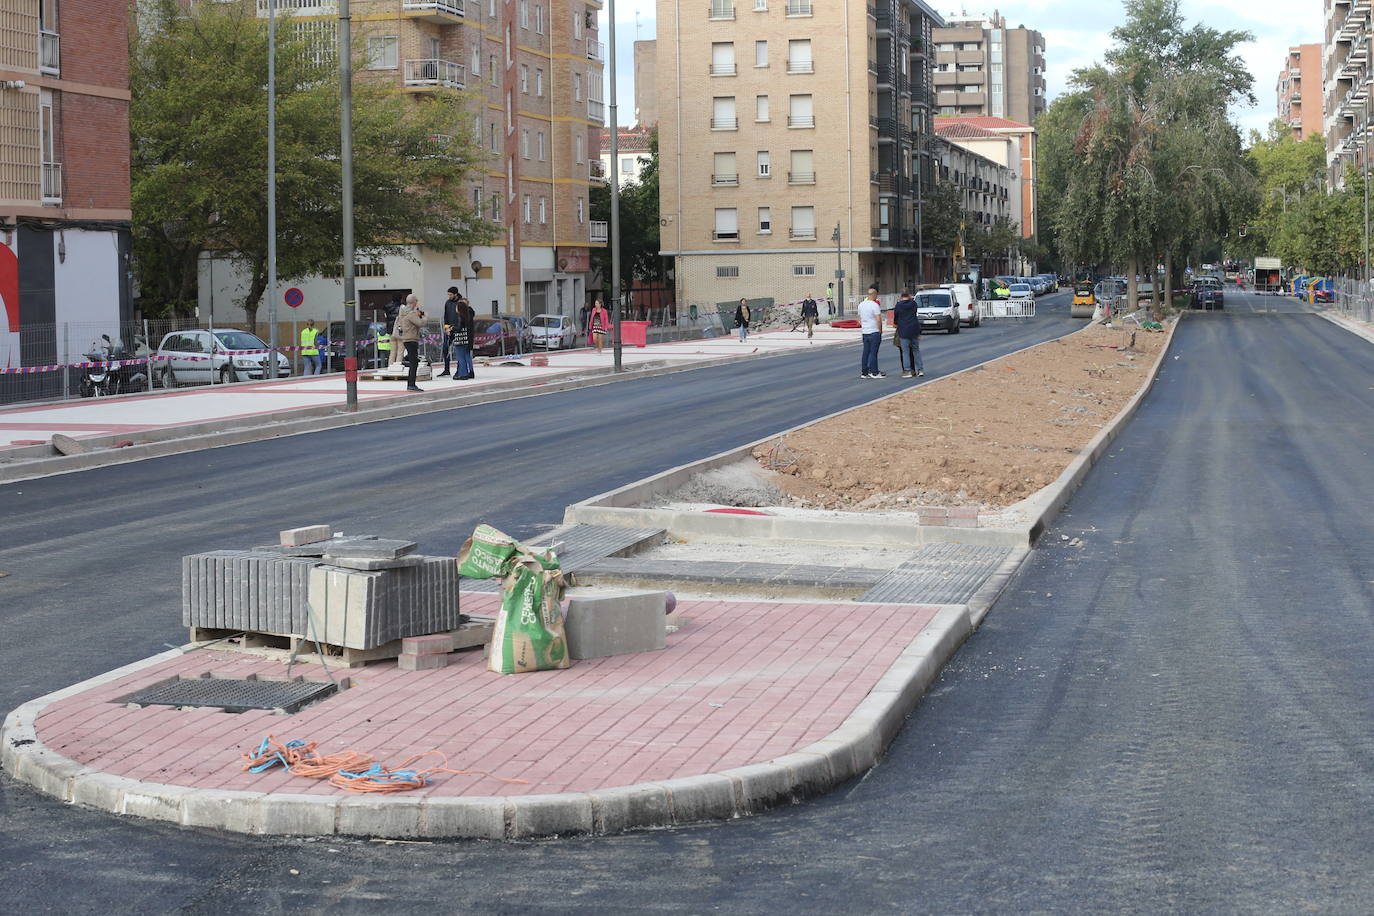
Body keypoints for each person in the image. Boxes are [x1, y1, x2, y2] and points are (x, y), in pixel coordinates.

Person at [393, 294, 425, 392]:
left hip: (406, 338)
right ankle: (411, 384)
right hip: (411, 339)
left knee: (413, 361)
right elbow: (420, 323)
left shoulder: (403, 312)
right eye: (416, 301)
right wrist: (424, 316)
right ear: (414, 302)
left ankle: (411, 383)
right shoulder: (410, 313)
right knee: (414, 362)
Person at [892, 289, 924, 379]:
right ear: (909, 296)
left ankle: (907, 370)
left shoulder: (898, 306)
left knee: (905, 352)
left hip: (904, 330)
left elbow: (896, 318)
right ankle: (920, 370)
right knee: (916, 350)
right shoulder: (914, 304)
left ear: (901, 296)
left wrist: (896, 324)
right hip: (914, 329)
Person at [858, 287, 885, 379]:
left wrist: (863, 327)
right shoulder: (874, 305)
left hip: (865, 331)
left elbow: (860, 319)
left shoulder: (861, 305)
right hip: (874, 331)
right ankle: (874, 372)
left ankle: (864, 372)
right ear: (873, 294)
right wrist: (880, 330)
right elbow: (878, 319)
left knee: (866, 352)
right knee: (873, 352)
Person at [438, 286, 462, 377]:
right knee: (445, 348)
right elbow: (446, 316)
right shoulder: (448, 303)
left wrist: (457, 327)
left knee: (458, 350)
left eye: (450, 294)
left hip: (458, 329)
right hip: (449, 329)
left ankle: (459, 369)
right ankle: (446, 369)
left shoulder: (460, 302)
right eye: (448, 294)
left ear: (455, 294)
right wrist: (446, 328)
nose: (449, 296)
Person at [452, 296, 476, 380]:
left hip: (460, 339)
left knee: (461, 357)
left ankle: (463, 373)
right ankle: (469, 371)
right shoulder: (468, 316)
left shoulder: (460, 317)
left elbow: (459, 328)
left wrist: (452, 328)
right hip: (467, 339)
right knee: (466, 355)